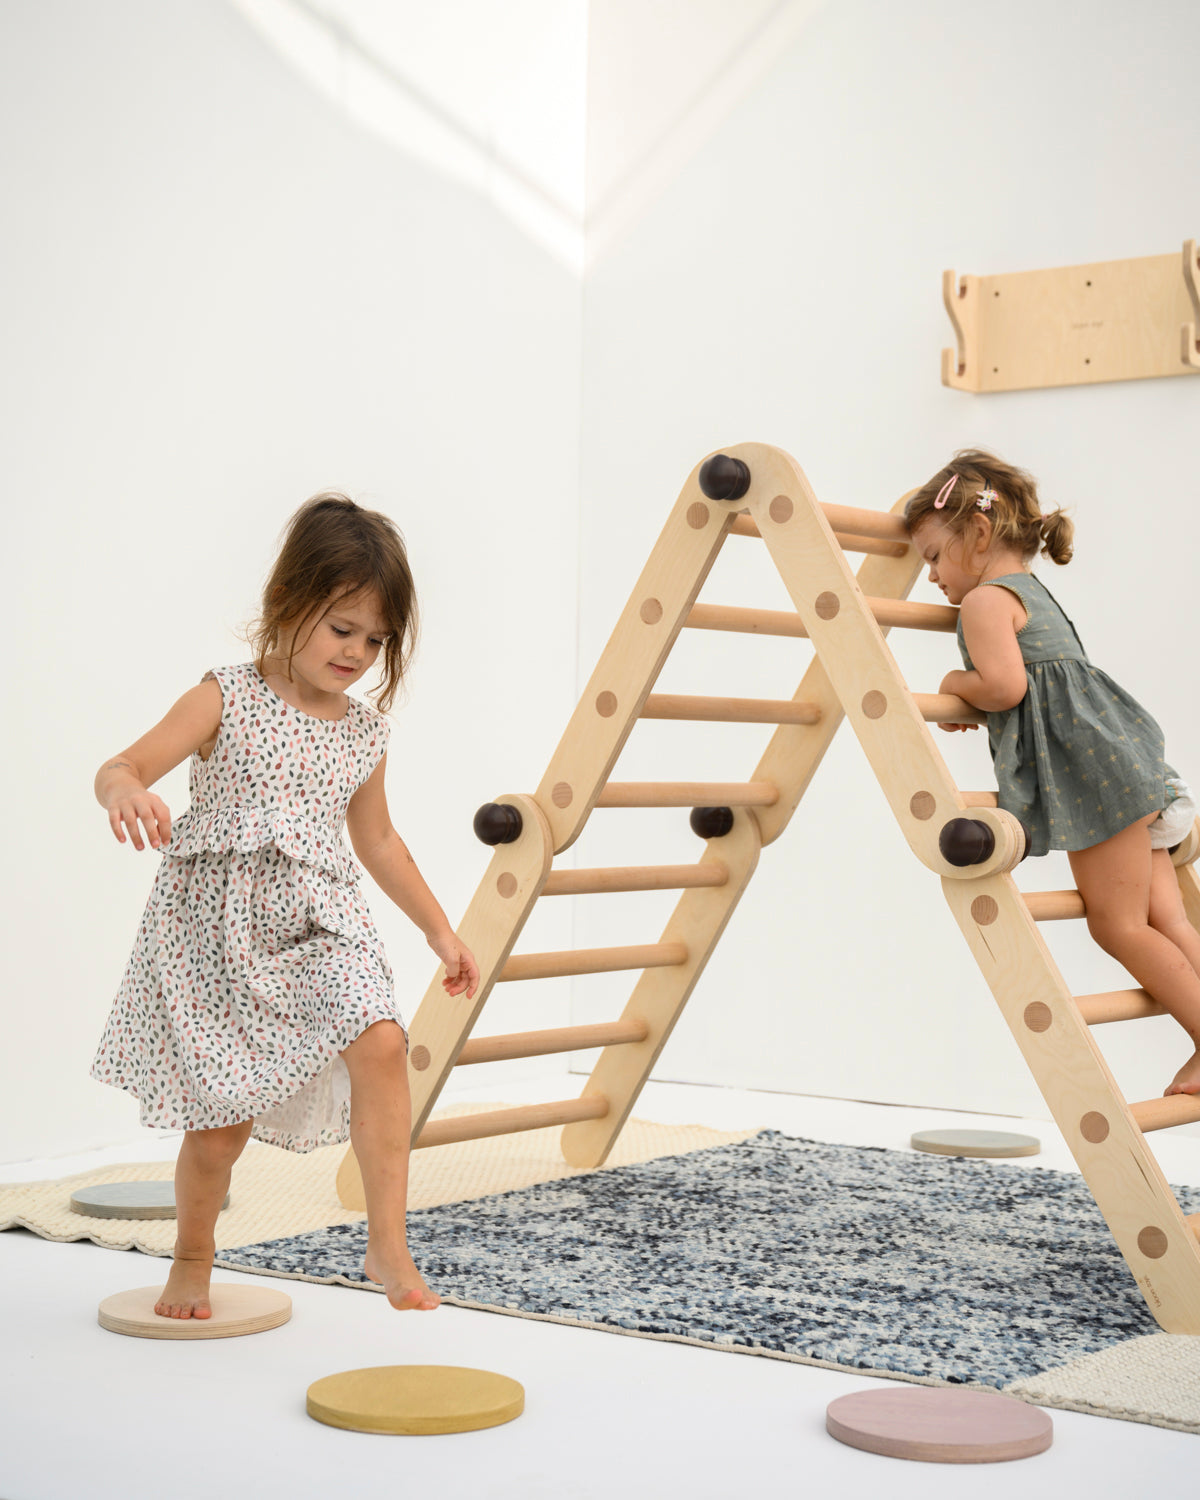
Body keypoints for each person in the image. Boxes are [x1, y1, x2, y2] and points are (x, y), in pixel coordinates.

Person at [91, 490, 479, 1318]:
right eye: (343, 629)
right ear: (288, 604)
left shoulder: (362, 733)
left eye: (376, 640)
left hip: (319, 923)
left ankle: (388, 1242)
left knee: (380, 1039)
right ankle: (193, 1259)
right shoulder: (223, 697)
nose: (358, 652)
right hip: (217, 941)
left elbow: (378, 842)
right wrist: (125, 790)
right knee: (221, 1129)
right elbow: (123, 763)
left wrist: (440, 929)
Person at [905, 449, 1200, 1098]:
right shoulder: (1032, 593)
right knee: (1167, 921)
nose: (929, 576)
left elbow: (1008, 688)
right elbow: (1047, 698)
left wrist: (959, 683)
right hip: (1129, 763)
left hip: (1099, 782)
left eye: (931, 555)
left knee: (1116, 926)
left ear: (978, 535)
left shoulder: (984, 602)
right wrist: (982, 707)